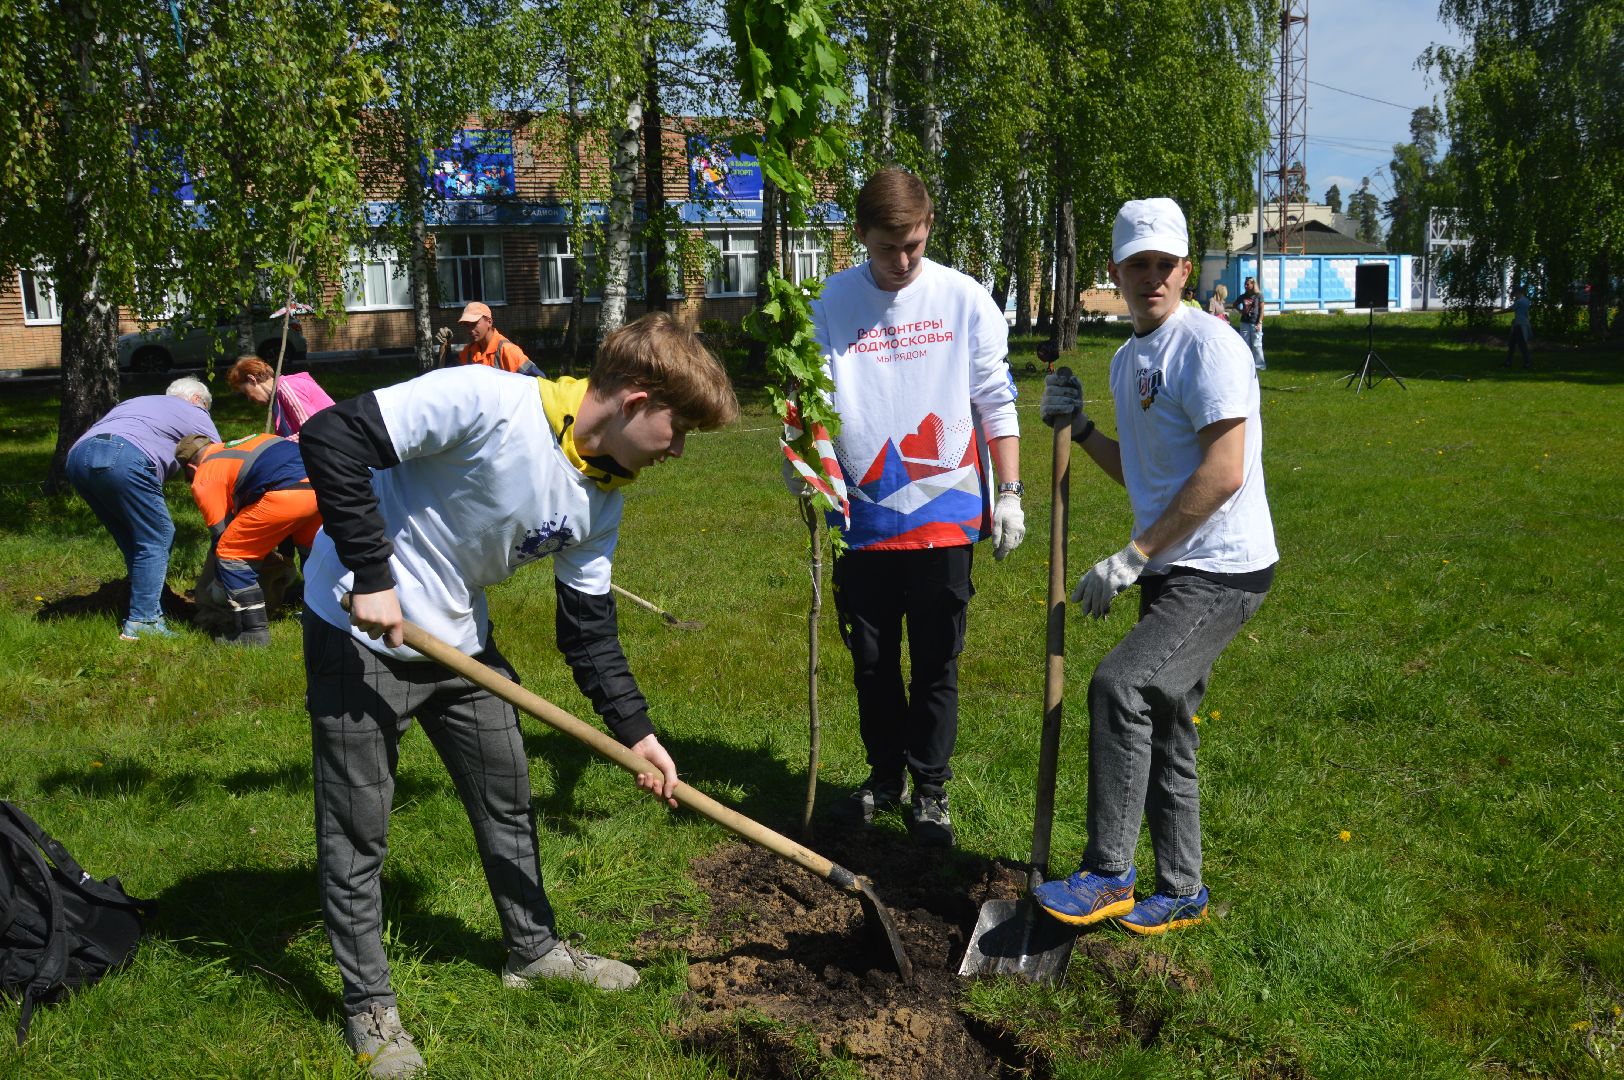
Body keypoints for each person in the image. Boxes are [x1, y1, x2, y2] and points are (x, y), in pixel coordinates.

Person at [298, 312, 738, 1079]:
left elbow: (589, 632)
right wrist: (371, 576)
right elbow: (333, 436)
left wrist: (635, 732)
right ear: (636, 399)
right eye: (680, 427)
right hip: (358, 625)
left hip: (457, 641)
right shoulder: (486, 400)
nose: (680, 449)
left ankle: (532, 951)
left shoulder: (602, 497)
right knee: (358, 828)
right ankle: (369, 1006)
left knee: (506, 791)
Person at [1032, 198, 1277, 936]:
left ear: (1184, 267)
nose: (1153, 278)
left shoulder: (1208, 347)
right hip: (1174, 567)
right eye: (1138, 264)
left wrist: (1135, 555)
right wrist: (1081, 432)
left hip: (1222, 570)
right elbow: (1145, 473)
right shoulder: (1125, 357)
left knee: (1121, 685)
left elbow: (1224, 471)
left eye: (1166, 264)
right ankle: (1183, 889)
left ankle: (1109, 873)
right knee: (1167, 721)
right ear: (1115, 272)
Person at [803, 166, 1024, 848]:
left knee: (935, 659)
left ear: (929, 230)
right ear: (860, 235)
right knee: (870, 661)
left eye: (914, 247)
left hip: (946, 513)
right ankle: (884, 774)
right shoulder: (831, 304)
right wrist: (805, 463)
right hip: (860, 517)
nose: (901, 263)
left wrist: (1009, 493)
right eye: (887, 248)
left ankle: (930, 788)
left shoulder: (963, 301)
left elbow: (995, 399)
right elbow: (805, 396)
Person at [64, 377, 220, 640]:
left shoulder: (138, 401)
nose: (205, 414)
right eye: (206, 408)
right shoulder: (194, 410)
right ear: (197, 400)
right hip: (122, 456)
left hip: (77, 458)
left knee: (134, 540)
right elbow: (217, 461)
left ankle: (151, 609)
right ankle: (143, 622)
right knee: (158, 535)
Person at [176, 432, 322, 647]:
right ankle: (321, 620)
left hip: (288, 493)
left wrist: (219, 582)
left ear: (191, 469)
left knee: (231, 554)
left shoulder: (205, 475)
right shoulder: (246, 443)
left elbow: (221, 535)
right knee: (315, 554)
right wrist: (288, 559)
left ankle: (253, 634)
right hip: (322, 484)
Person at [226, 356, 335, 441]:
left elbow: (312, 431)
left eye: (246, 392)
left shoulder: (287, 388)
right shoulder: (277, 401)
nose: (249, 398)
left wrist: (273, 446)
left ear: (252, 379)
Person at [455, 300, 542, 376]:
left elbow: (537, 380)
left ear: (489, 322)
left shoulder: (507, 350)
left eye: (474, 324)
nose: (470, 330)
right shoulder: (468, 352)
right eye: (467, 325)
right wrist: (445, 347)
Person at [1232, 276, 1265, 371]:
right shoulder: (1243, 296)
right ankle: (1246, 363)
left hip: (1255, 323)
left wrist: (1259, 322)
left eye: (1247, 284)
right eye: (1245, 284)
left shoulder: (1259, 295)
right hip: (1244, 322)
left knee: (1256, 344)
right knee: (1245, 344)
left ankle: (1259, 365)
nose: (1245, 286)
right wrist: (1241, 311)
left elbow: (1262, 309)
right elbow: (1234, 305)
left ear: (1253, 284)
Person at [1506, 287, 1533, 369]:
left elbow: (1509, 310)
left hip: (1519, 325)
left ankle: (1527, 363)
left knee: (1520, 345)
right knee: (1513, 344)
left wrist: (1493, 313)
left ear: (1518, 292)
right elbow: (1524, 313)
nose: (1514, 296)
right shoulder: (1526, 301)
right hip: (1520, 323)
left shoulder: (1519, 302)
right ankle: (1508, 362)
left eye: (1515, 294)